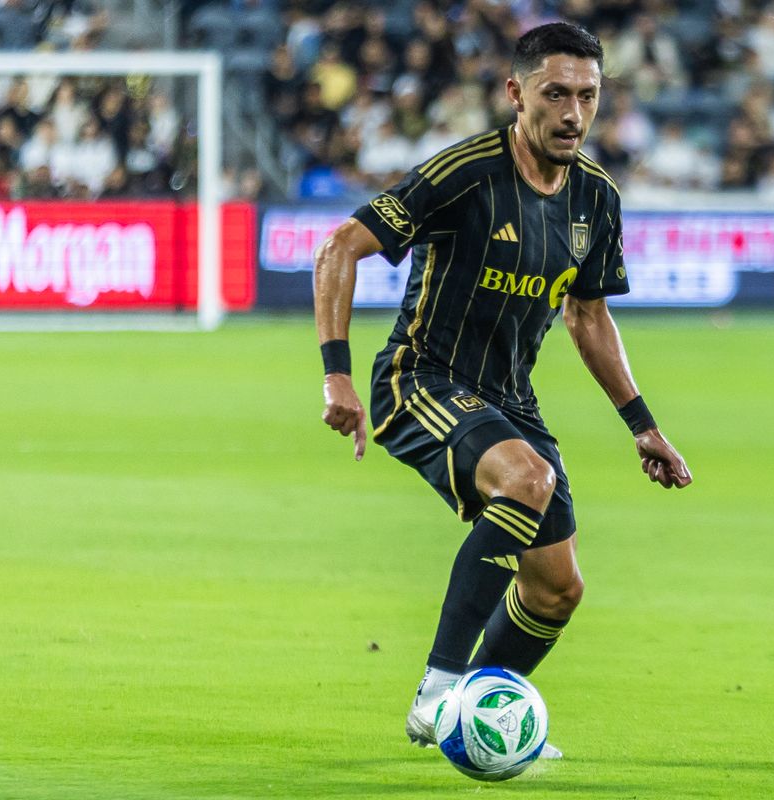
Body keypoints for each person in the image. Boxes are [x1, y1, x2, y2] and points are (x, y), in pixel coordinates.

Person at [312, 22, 692, 757]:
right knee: (527, 478)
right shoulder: (465, 173)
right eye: (556, 94)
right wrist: (337, 373)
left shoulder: (595, 199)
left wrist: (641, 424)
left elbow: (588, 315)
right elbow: (340, 246)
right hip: (420, 377)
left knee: (555, 589)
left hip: (509, 399)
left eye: (588, 96)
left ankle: (478, 714)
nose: (573, 113)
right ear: (516, 93)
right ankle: (439, 690)